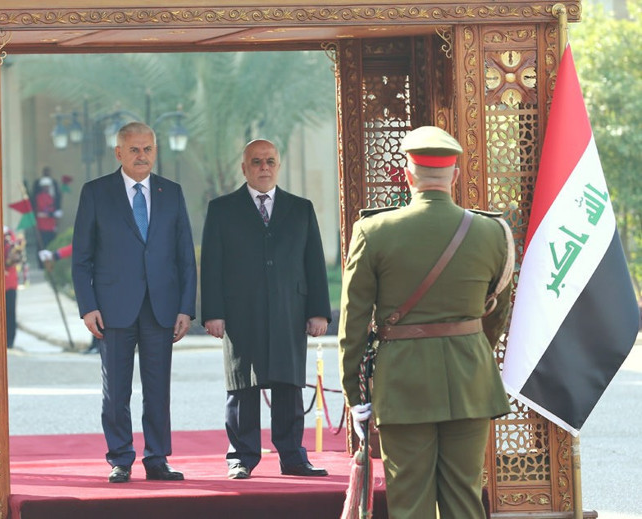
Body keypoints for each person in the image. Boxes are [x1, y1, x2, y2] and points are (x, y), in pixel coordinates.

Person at [338, 126, 514, 519]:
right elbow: (497, 312)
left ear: (407, 175)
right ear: (455, 175)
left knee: (410, 501)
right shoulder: (493, 232)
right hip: (471, 379)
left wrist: (355, 393)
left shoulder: (373, 231)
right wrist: (471, 351)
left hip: (403, 383)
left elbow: (353, 323)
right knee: (465, 499)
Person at [71, 121, 197, 484]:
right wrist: (88, 306)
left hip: (161, 307)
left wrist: (185, 308)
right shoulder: (96, 193)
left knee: (158, 389)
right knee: (116, 391)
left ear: (155, 151)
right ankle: (121, 458)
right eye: (134, 150)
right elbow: (81, 258)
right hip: (112, 309)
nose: (142, 156)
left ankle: (157, 458)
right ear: (119, 153)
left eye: (148, 149)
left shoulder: (171, 192)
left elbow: (185, 257)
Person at [201, 139, 331, 480]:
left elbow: (314, 263)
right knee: (242, 384)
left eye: (270, 161)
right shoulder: (222, 209)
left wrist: (318, 311)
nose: (264, 167)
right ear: (244, 168)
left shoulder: (300, 209)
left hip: (290, 308)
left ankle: (292, 456)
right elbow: (212, 265)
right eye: (256, 161)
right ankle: (241, 457)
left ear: (278, 166)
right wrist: (213, 312)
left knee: (288, 384)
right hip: (240, 311)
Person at [4, 226, 25, 349]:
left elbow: (15, 256)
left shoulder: (9, 234)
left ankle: (10, 340)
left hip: (9, 280)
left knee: (10, 311)